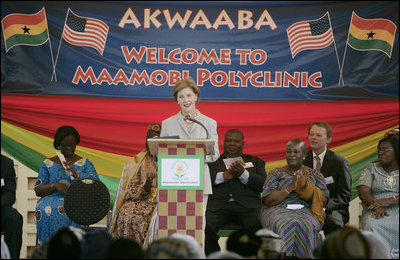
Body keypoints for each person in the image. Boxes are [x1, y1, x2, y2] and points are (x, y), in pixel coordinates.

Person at [160, 78, 220, 217]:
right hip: (173, 182)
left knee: (196, 226)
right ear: (177, 100)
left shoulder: (209, 123)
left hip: (200, 183)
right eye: (181, 97)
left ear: (196, 97)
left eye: (189, 95)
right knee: (174, 223)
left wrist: (192, 156)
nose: (186, 100)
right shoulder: (167, 123)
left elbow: (215, 154)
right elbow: (161, 155)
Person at [260, 139, 329, 258]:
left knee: (306, 224)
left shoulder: (315, 175)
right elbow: (268, 200)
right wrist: (291, 186)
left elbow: (324, 201)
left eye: (296, 152)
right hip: (277, 209)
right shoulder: (276, 173)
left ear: (304, 155)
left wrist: (306, 187)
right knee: (280, 223)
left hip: (308, 210)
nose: (291, 155)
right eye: (289, 152)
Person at [204, 129, 266, 255]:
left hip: (247, 207)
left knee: (258, 226)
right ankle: (214, 257)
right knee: (205, 225)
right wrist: (223, 176)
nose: (232, 143)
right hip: (217, 207)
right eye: (229, 140)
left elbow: (263, 185)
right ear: (223, 143)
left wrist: (244, 174)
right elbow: (202, 180)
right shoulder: (212, 162)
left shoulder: (256, 161)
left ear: (242, 143)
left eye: (236, 141)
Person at [34, 125, 99, 245]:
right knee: (44, 209)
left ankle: (71, 249)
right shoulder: (48, 164)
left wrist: (77, 174)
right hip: (51, 199)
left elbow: (96, 185)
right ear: (58, 145)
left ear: (76, 144)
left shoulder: (84, 163)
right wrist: (54, 185)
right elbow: (38, 189)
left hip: (77, 199)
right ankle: (47, 248)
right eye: (65, 145)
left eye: (72, 145)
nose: (69, 149)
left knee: (71, 210)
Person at [110, 123, 161, 247]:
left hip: (160, 203)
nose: (150, 143)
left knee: (139, 219)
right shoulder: (136, 162)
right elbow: (130, 191)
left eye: (154, 140)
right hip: (139, 200)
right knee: (125, 214)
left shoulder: (172, 160)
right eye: (148, 139)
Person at [303, 121, 351, 236]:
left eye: (318, 135)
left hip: (333, 209)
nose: (313, 138)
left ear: (328, 139)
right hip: (306, 207)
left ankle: (331, 254)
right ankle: (301, 253)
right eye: (311, 134)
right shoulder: (302, 160)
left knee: (334, 223)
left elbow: (344, 195)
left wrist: (324, 206)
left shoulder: (340, 162)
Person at [357, 133, 399, 259]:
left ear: (396, 151)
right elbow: (363, 191)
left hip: (396, 205)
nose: (381, 153)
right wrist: (376, 205)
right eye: (379, 150)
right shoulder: (372, 168)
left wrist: (390, 201)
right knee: (373, 224)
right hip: (374, 205)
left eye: (385, 149)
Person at [1, 154, 23, 259]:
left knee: (14, 217)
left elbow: (10, 195)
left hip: (1, 208)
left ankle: (11, 256)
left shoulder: (6, 163)